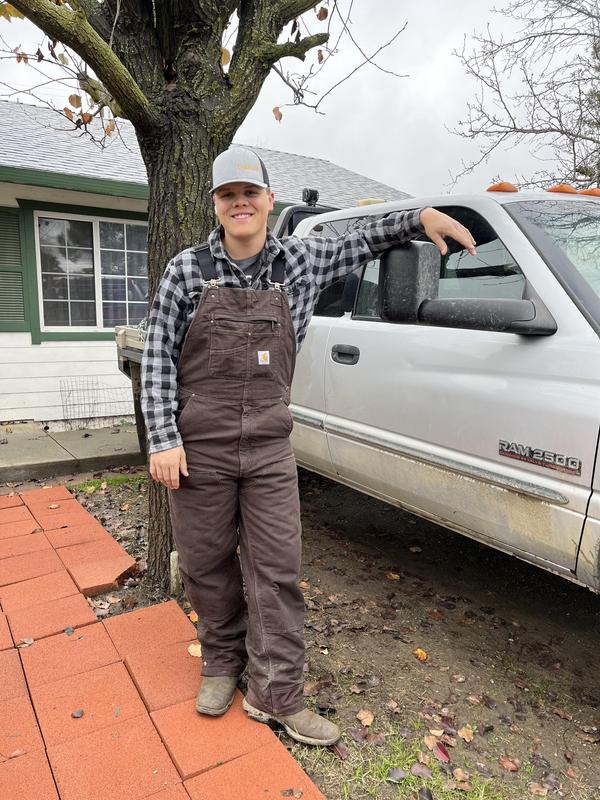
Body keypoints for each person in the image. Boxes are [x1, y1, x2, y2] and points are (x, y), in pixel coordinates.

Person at [141, 146, 476, 747]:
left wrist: (420, 216)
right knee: (206, 563)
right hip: (201, 448)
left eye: (250, 193)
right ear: (216, 205)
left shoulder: (302, 258)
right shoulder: (185, 271)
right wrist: (164, 439)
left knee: (277, 570)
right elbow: (159, 359)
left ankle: (277, 694)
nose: (240, 202)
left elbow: (365, 235)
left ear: (270, 201)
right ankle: (222, 662)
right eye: (227, 195)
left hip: (269, 447)